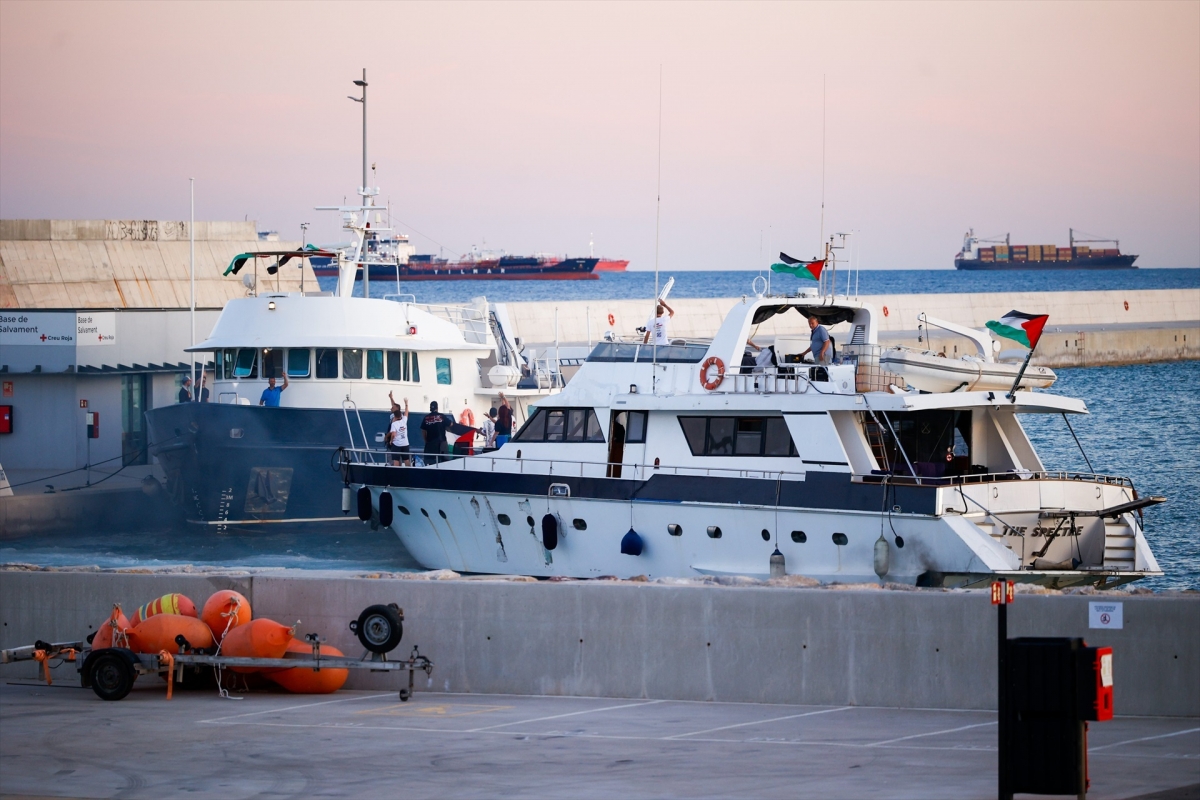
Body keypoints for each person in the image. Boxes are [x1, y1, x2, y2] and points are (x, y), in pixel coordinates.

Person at [386, 393, 410, 466]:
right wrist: (391, 398)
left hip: (396, 443)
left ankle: (396, 471)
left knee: (396, 459)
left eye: (393, 407)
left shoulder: (394, 423)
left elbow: (393, 434)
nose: (391, 408)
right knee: (406, 459)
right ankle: (409, 470)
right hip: (405, 443)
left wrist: (390, 440)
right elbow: (406, 412)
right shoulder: (403, 420)